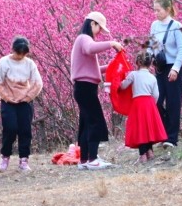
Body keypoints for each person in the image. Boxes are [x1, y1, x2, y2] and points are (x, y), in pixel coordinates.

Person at [71, 11, 123, 170]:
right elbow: (90, 48)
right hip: (86, 87)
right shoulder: (84, 39)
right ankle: (93, 158)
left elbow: (92, 69)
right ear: (92, 24)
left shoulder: (82, 40)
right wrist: (111, 43)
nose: (100, 32)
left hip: (83, 87)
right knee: (94, 121)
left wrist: (111, 67)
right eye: (99, 28)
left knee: (86, 123)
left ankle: (85, 160)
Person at [0, 37, 44, 172]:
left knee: (25, 130)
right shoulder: (4, 62)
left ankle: (24, 160)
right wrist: (7, 97)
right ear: (12, 50)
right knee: (10, 129)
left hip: (24, 102)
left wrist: (27, 97)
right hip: (8, 101)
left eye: (23, 54)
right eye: (18, 53)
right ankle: (5, 157)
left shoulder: (30, 64)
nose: (20, 56)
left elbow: (38, 83)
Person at [148, 0, 182, 147]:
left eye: (158, 10)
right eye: (154, 10)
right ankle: (163, 131)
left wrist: (176, 69)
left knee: (173, 102)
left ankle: (171, 138)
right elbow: (152, 45)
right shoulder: (154, 26)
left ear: (167, 9)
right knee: (156, 101)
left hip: (173, 67)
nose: (155, 13)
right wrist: (148, 59)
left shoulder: (177, 26)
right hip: (160, 67)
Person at [119, 51, 167, 162]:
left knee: (140, 129)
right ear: (150, 63)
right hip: (150, 103)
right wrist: (152, 104)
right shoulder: (152, 77)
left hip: (138, 103)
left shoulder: (133, 75)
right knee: (149, 127)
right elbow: (156, 95)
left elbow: (123, 86)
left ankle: (142, 155)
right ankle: (150, 151)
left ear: (138, 62)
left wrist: (118, 82)